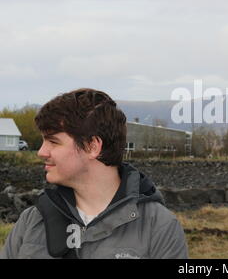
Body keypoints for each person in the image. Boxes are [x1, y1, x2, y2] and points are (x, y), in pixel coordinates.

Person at [0, 88, 188, 259]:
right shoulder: (32, 221)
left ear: (92, 146)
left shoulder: (159, 227)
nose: (41, 152)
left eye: (53, 142)